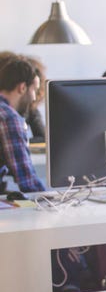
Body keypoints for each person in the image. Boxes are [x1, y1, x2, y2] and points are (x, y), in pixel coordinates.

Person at [0, 55, 46, 192]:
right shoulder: (8, 117)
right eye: (35, 90)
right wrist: (51, 201)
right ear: (22, 88)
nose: (34, 97)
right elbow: (26, 179)